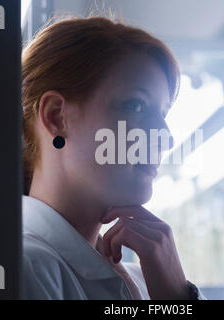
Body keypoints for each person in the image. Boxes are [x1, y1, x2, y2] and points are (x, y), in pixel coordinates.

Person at [21, 15, 206, 300]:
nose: (165, 137)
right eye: (136, 105)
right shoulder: (23, 269)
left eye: (164, 113)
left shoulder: (147, 280)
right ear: (56, 116)